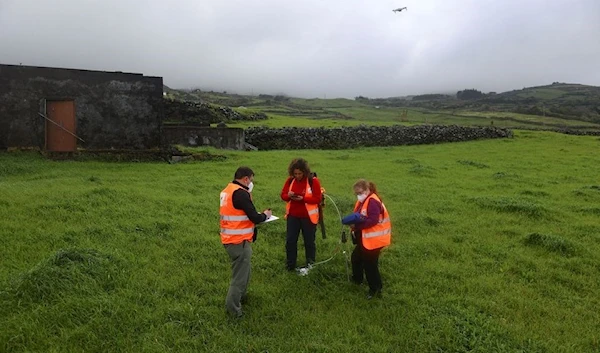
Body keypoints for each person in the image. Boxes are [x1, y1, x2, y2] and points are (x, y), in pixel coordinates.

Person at [220, 166, 272, 318]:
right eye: (251, 180)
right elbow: (254, 217)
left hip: (232, 239)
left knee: (244, 273)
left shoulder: (228, 190)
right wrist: (265, 215)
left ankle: (241, 298)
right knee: (239, 279)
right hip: (239, 242)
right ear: (245, 179)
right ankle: (233, 310)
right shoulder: (241, 194)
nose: (251, 183)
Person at [342, 179, 391, 299]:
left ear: (368, 190)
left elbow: (373, 220)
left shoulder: (373, 201)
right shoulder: (364, 201)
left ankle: (375, 290)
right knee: (356, 258)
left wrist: (356, 226)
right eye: (357, 193)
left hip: (374, 240)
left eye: (361, 192)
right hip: (366, 239)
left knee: (370, 265)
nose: (359, 195)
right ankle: (357, 280)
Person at [280, 158, 322, 271]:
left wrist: (303, 198)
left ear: (305, 172)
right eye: (295, 174)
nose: (297, 176)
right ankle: (290, 265)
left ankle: (310, 264)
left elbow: (317, 199)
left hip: (308, 217)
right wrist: (289, 195)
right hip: (293, 216)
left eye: (299, 173)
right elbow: (283, 195)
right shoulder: (290, 181)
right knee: (290, 241)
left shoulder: (313, 181)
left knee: (309, 242)